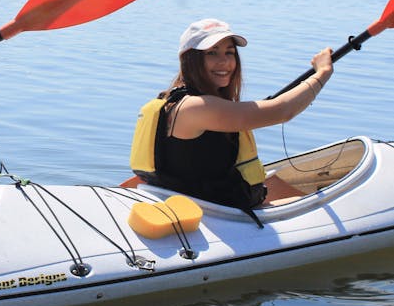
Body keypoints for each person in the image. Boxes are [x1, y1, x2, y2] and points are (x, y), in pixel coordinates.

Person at [130, 18, 333, 213]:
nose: (224, 61)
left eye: (229, 52)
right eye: (212, 53)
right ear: (190, 59)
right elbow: (282, 111)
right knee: (320, 207)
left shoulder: (176, 100)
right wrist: (322, 72)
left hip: (207, 201)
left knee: (272, 182)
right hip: (216, 214)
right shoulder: (197, 107)